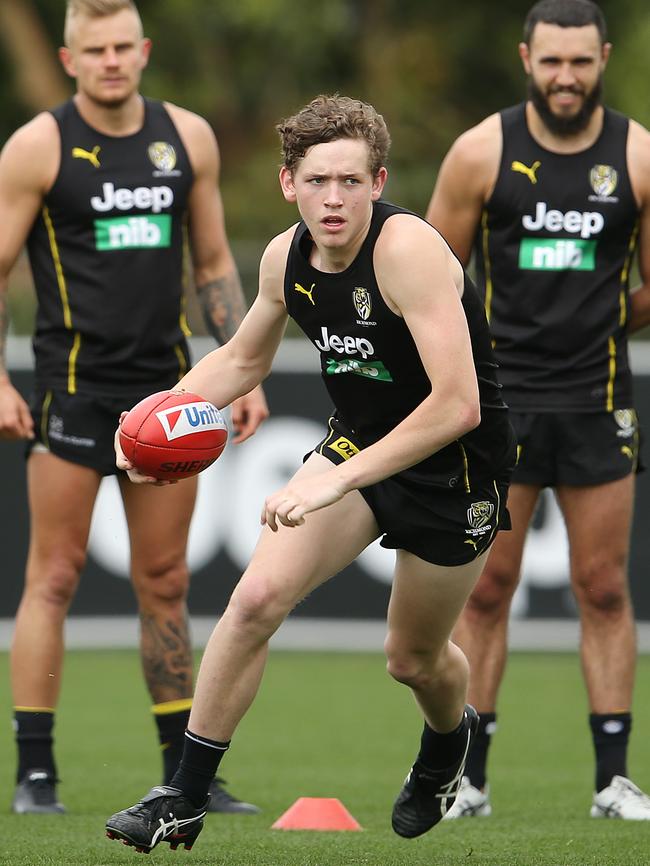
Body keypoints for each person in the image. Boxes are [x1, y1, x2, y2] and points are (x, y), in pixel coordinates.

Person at [103, 93, 518, 853]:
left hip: (453, 471)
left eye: (352, 182)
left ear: (378, 181)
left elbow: (458, 406)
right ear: (288, 181)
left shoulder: (408, 251)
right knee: (255, 597)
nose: (335, 198)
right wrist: (152, 419)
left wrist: (333, 479)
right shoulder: (283, 257)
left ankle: (447, 744)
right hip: (357, 446)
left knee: (413, 659)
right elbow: (241, 359)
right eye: (319, 180)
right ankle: (184, 796)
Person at [0, 0, 268, 815]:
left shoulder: (186, 137)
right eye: (96, 49)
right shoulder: (38, 145)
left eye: (124, 47)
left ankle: (187, 772)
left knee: (165, 578)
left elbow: (215, 260)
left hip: (168, 393)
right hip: (72, 388)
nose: (112, 60)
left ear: (143, 50)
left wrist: (242, 370)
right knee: (54, 575)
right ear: (70, 55)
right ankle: (35, 772)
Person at [426, 0, 650, 821]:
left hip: (596, 399)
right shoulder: (481, 151)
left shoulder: (638, 156)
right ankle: (468, 781)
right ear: (527, 58)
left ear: (604, 58)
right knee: (485, 591)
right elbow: (429, 275)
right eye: (552, 62)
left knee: (604, 587)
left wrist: (594, 323)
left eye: (581, 62)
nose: (566, 78)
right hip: (498, 403)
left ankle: (613, 782)